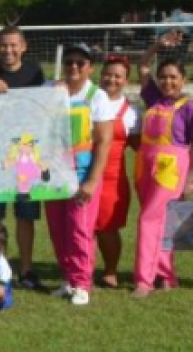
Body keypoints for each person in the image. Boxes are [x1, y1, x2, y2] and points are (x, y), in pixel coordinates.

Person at [0, 26, 46, 290]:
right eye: (3, 45)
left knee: (25, 215)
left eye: (13, 45)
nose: (8, 50)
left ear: (23, 46)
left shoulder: (35, 72)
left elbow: (43, 107)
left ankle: (26, 270)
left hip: (26, 155)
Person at [47, 43, 113, 306]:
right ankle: (69, 279)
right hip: (54, 174)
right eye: (70, 62)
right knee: (58, 229)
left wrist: (92, 180)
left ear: (90, 68)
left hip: (82, 175)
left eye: (80, 63)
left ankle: (82, 282)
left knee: (79, 229)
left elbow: (104, 142)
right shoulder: (53, 91)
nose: (73, 66)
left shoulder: (97, 97)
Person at [131, 32, 193, 298]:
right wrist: (158, 44)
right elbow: (143, 65)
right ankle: (167, 276)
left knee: (148, 219)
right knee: (165, 222)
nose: (168, 81)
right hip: (145, 165)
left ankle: (144, 280)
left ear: (183, 81)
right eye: (164, 76)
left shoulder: (188, 107)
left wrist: (191, 179)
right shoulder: (153, 99)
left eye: (173, 77)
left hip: (172, 168)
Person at [94, 55, 140, 289]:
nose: (111, 79)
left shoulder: (132, 113)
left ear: (126, 80)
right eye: (108, 74)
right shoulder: (87, 100)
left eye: (117, 76)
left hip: (112, 177)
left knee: (107, 228)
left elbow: (140, 147)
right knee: (79, 227)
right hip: (82, 170)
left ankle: (110, 270)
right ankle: (79, 268)